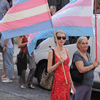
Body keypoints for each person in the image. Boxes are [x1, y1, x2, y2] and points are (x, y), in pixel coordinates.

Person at [47, 30, 76, 100]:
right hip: (57, 83)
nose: (61, 39)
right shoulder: (51, 52)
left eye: (63, 38)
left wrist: (71, 84)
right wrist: (58, 63)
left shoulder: (66, 50)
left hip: (66, 83)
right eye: (59, 37)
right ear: (55, 38)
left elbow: (67, 69)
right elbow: (49, 69)